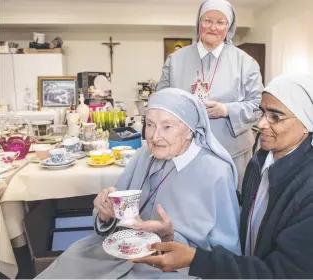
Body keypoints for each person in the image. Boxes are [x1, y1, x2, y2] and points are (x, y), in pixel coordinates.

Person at [37, 88, 240, 279]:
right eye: (150, 125)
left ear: (190, 130)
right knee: (70, 264)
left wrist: (170, 238)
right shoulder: (144, 155)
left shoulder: (215, 172)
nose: (154, 136)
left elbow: (225, 253)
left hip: (173, 269)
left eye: (167, 127)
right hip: (118, 253)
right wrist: (105, 214)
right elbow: (118, 211)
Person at [132, 74, 313, 278]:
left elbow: (283, 273)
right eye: (262, 112)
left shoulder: (308, 191)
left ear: (306, 122)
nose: (261, 123)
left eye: (275, 117)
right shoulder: (260, 160)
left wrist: (195, 259)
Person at [156, 0, 263, 191]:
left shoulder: (246, 63)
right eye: (207, 20)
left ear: (229, 26)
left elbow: (258, 105)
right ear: (199, 23)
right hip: (183, 152)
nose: (213, 27)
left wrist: (226, 110)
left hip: (232, 153)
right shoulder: (175, 60)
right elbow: (160, 102)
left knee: (230, 208)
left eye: (220, 22)